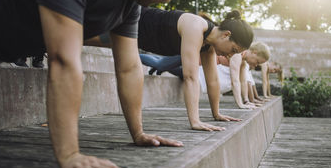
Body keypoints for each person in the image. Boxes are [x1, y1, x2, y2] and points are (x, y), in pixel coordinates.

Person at [0, 0, 201, 168]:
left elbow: (129, 67)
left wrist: (139, 133)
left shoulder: (129, 4)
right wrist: (70, 155)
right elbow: (63, 61)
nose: (167, 1)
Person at [86, 8, 254, 131]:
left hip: (137, 38)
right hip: (130, 22)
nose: (231, 56)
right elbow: (190, 77)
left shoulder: (208, 47)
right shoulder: (197, 26)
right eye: (233, 50)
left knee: (80, 38)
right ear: (226, 35)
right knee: (81, 36)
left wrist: (216, 114)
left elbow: (213, 81)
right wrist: (195, 121)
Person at [228, 42, 270, 109]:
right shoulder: (238, 55)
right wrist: (240, 104)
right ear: (254, 53)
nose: (256, 65)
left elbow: (243, 81)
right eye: (257, 62)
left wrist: (246, 101)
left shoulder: (243, 62)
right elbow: (235, 81)